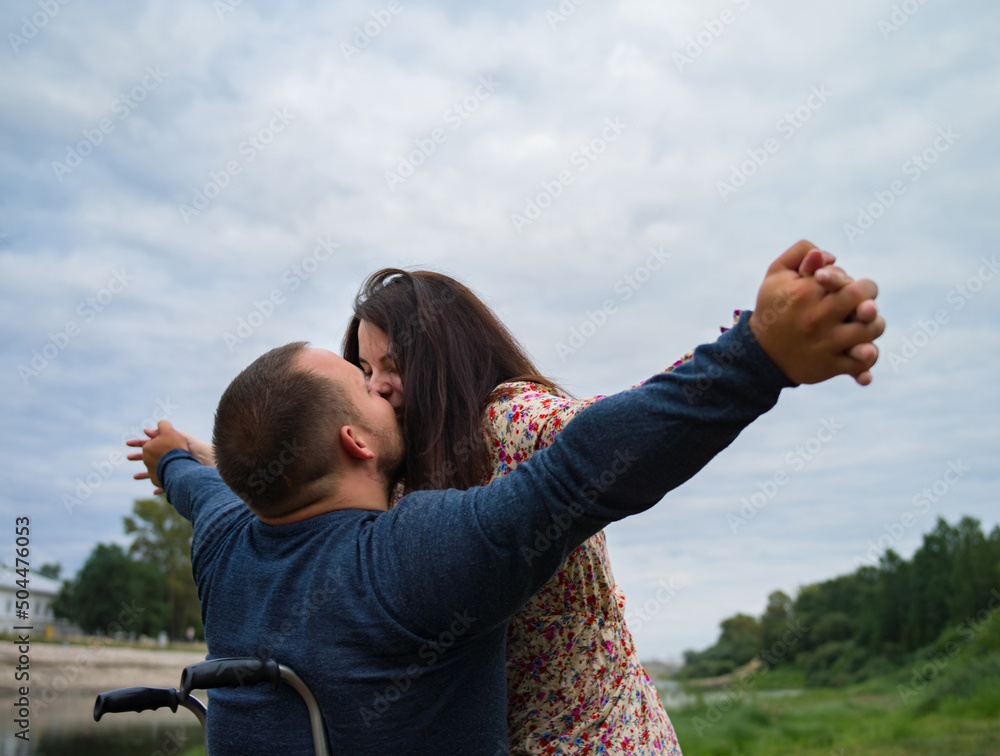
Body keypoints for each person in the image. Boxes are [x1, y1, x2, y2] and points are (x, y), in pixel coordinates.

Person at [131, 242, 883, 755]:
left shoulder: (508, 420)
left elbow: (609, 439)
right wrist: (198, 454)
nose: (380, 384)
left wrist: (758, 346)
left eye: (390, 365)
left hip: (594, 741)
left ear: (442, 355)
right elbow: (252, 482)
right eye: (364, 370)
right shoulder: (394, 483)